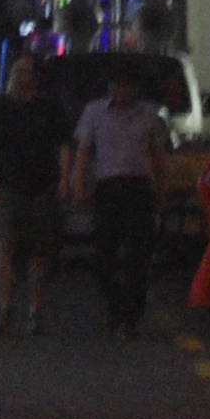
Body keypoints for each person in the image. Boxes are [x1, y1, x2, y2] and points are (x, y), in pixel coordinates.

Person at [0, 56, 73, 333]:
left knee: (40, 251)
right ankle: (5, 310)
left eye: (23, 71)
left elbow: (63, 145)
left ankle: (35, 311)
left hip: (43, 187)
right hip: (7, 186)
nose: (17, 76)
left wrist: (65, 180)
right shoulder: (1, 108)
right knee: (4, 246)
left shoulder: (48, 108)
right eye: (15, 71)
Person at [69, 67, 171, 341]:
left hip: (138, 189)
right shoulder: (95, 112)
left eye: (127, 85)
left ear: (136, 89)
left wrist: (162, 193)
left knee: (138, 257)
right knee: (103, 256)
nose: (122, 91)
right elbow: (83, 151)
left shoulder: (149, 115)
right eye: (117, 85)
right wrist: (78, 184)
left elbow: (158, 156)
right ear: (110, 88)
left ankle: (130, 318)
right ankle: (116, 304)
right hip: (107, 188)